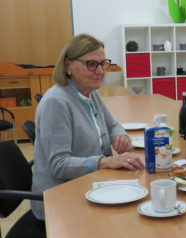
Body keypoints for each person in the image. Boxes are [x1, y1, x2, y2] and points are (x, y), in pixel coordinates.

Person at [32, 33, 144, 221]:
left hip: (91, 184)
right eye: (91, 64)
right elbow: (59, 165)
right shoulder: (56, 103)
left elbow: (113, 125)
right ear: (68, 66)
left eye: (103, 63)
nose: (100, 71)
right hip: (59, 199)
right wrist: (104, 162)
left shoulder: (90, 93)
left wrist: (120, 136)